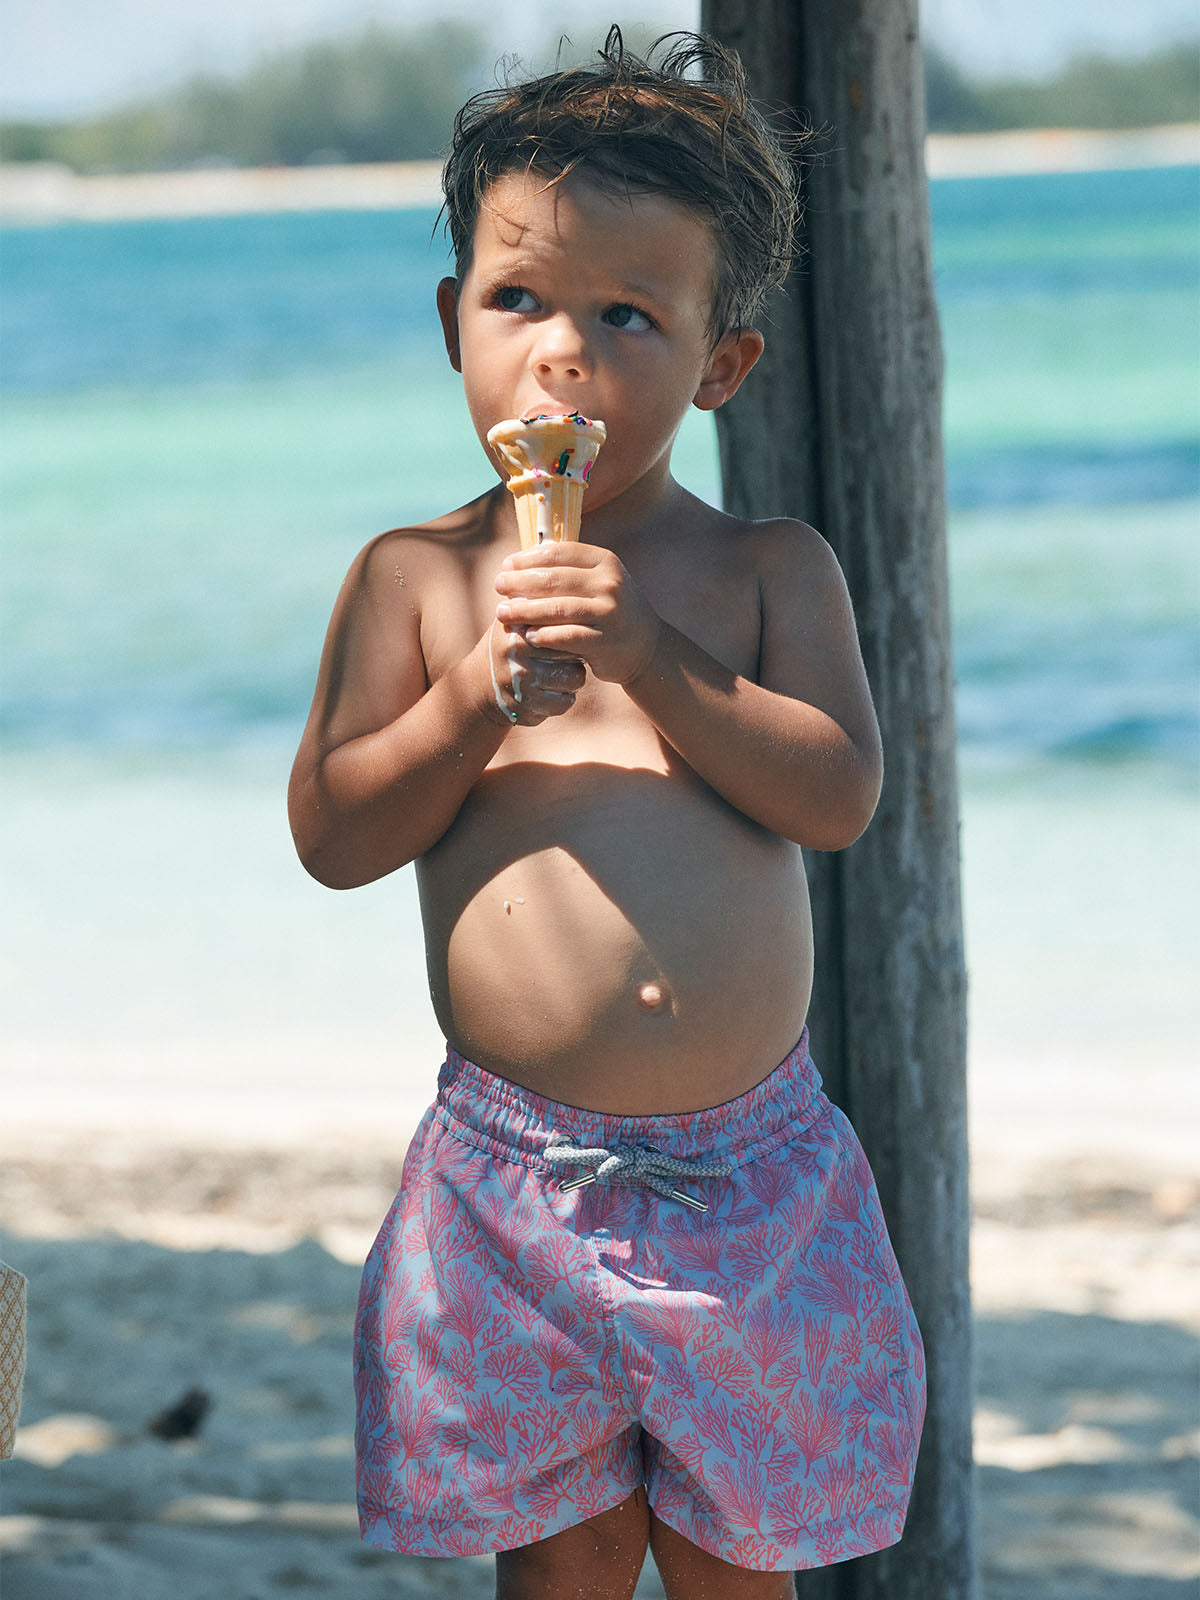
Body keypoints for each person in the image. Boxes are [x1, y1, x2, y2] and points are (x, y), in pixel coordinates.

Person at [289, 27, 924, 1600]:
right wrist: (466, 702)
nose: (562, 355)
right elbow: (336, 837)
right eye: (521, 300)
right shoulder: (415, 579)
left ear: (722, 366)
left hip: (756, 1178)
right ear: (453, 320)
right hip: (512, 1182)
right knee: (562, 1564)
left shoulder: (769, 570)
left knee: (737, 1563)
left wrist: (652, 653)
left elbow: (838, 797)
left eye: (627, 314)